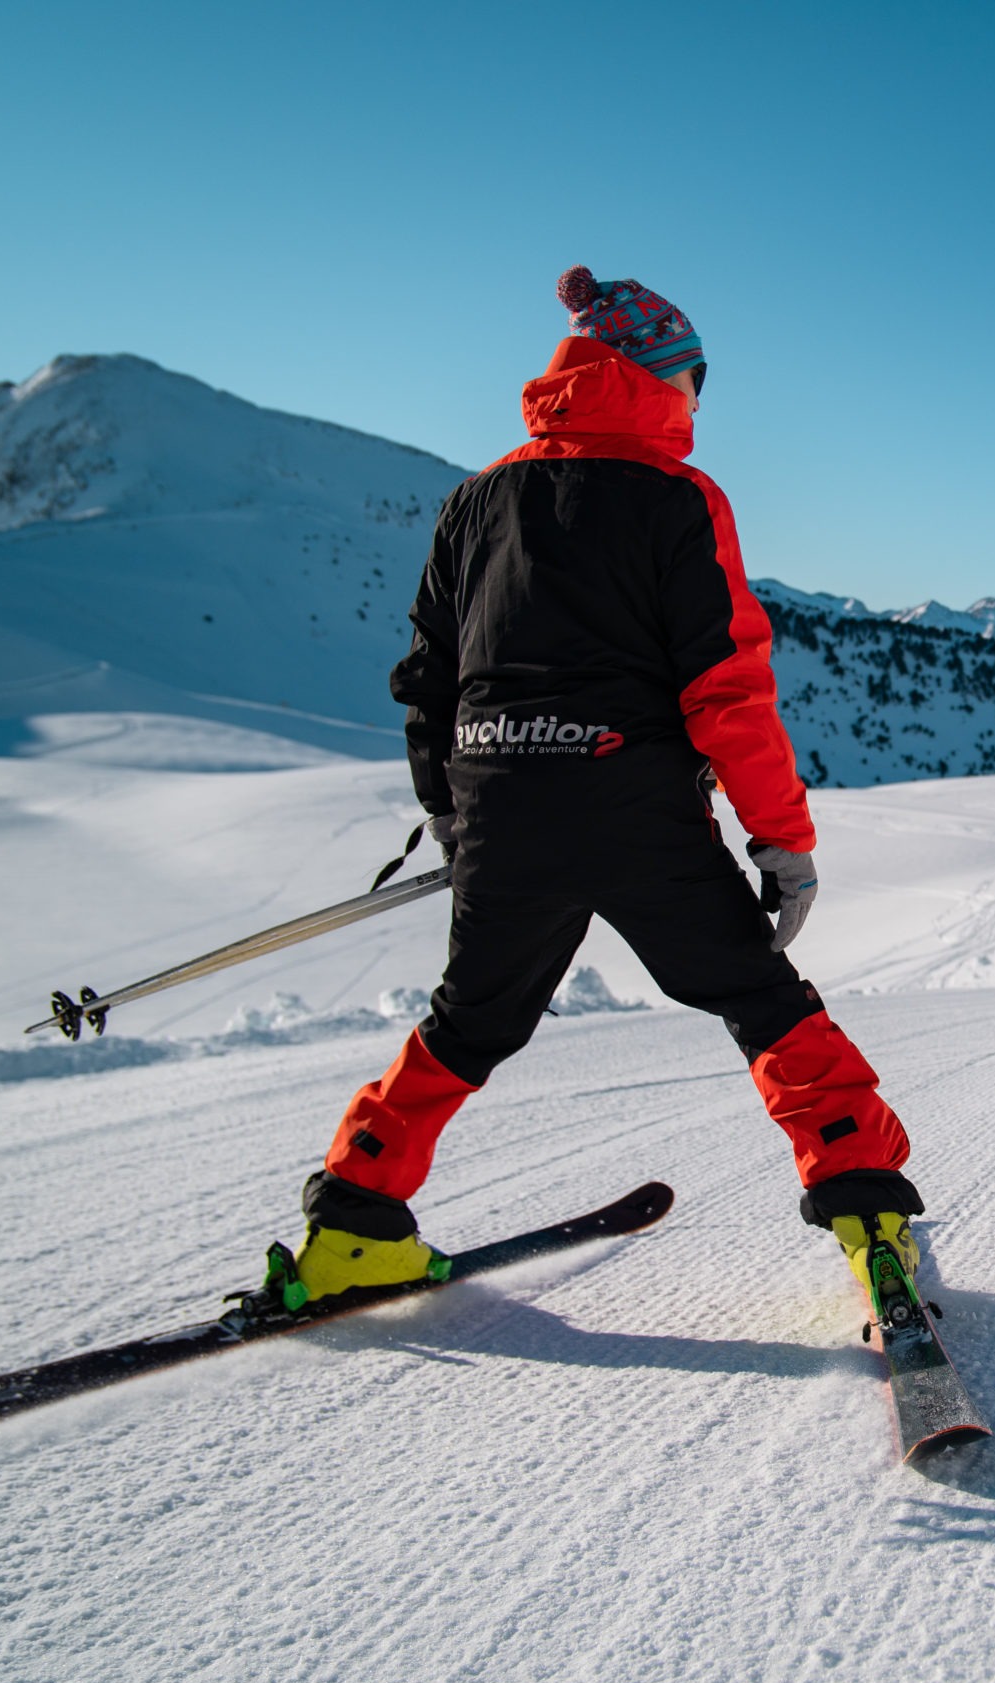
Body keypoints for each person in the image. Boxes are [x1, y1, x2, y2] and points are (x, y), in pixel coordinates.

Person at [267, 267, 925, 1313]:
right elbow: (728, 691)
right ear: (662, 376)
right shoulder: (678, 498)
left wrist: (450, 806)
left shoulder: (474, 499)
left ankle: (351, 1222)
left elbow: (427, 676)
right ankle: (867, 1210)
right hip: (633, 806)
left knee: (467, 1021)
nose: (700, 404)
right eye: (695, 380)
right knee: (762, 1006)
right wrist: (781, 842)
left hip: (499, 797)